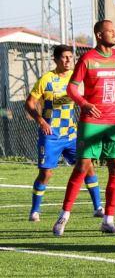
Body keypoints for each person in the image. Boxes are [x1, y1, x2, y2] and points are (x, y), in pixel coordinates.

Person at [53, 21, 115, 236]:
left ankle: (108, 220)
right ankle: (64, 215)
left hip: (114, 122)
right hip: (91, 122)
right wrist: (85, 104)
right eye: (110, 31)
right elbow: (72, 88)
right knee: (82, 167)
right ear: (99, 34)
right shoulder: (87, 59)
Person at [25, 45, 101, 222]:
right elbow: (29, 103)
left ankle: (98, 207)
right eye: (64, 57)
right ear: (56, 59)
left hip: (71, 134)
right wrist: (41, 121)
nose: (68, 61)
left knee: (88, 165)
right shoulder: (46, 79)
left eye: (70, 57)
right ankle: (35, 211)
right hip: (51, 134)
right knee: (46, 173)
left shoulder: (76, 77)